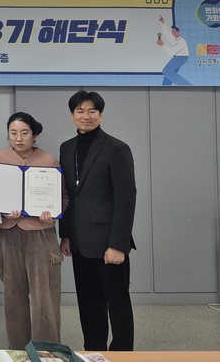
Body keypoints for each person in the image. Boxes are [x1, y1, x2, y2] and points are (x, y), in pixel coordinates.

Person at [59, 91, 136, 351]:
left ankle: (123, 354)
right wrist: (66, 235)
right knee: (89, 302)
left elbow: (126, 199)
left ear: (101, 115)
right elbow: (68, 195)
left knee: (117, 302)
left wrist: (119, 245)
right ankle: (94, 351)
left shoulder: (117, 148)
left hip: (108, 242)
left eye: (92, 111)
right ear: (72, 116)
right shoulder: (66, 148)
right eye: (80, 111)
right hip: (80, 242)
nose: (86, 116)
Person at [0, 112, 67, 349]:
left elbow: (63, 198)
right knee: (13, 296)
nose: (18, 138)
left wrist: (52, 211)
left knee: (44, 296)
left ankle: (47, 351)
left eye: (24, 133)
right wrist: (1, 212)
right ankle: (19, 351)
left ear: (34, 135)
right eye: (13, 133)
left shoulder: (49, 161)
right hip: (7, 234)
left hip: (40, 234)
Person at [156, 15, 191, 86]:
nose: (172, 32)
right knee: (169, 73)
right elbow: (166, 34)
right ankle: (165, 86)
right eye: (172, 31)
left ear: (177, 32)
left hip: (181, 58)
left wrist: (162, 44)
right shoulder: (175, 39)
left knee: (166, 71)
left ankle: (186, 85)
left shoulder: (181, 41)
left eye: (173, 31)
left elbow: (172, 52)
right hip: (178, 57)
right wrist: (163, 23)